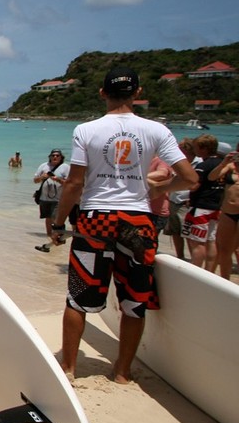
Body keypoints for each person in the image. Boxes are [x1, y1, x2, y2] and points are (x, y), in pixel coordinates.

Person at [51, 67, 196, 384]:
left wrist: (58, 222)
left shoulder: (86, 130)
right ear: (138, 93)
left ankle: (69, 367)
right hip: (138, 222)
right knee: (134, 300)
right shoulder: (157, 131)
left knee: (78, 296)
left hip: (95, 220)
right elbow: (190, 178)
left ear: (102, 93)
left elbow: (74, 183)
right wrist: (159, 189)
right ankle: (121, 372)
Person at [182, 134, 223, 272]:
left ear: (204, 149)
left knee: (197, 242)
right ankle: (209, 271)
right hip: (216, 207)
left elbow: (194, 185)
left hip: (201, 207)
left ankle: (195, 271)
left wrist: (184, 183)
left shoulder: (203, 165)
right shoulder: (221, 164)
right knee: (211, 241)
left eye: (196, 148)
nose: (194, 151)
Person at [209, 149, 239, 279]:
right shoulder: (230, 166)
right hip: (228, 211)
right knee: (224, 250)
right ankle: (225, 280)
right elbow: (212, 177)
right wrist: (224, 162)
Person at [164, 138, 195, 259]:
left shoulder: (197, 163)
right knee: (175, 231)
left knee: (188, 233)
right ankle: (180, 256)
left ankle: (193, 259)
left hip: (186, 202)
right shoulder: (176, 162)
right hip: (174, 199)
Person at [33, 149, 69, 252]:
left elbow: (69, 183)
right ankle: (49, 237)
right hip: (44, 198)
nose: (55, 157)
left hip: (58, 198)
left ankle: (58, 238)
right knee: (48, 217)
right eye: (53, 155)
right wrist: (42, 177)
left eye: (57, 155)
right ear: (50, 156)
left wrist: (57, 179)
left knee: (56, 218)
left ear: (61, 157)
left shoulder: (65, 167)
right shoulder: (44, 166)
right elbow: (35, 180)